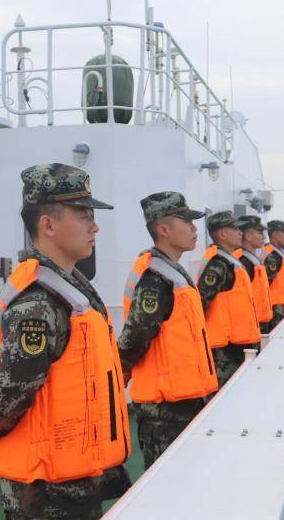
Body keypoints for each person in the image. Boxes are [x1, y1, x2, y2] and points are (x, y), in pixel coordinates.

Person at [0, 163, 131, 520]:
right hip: (45, 490)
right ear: (48, 225)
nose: (95, 227)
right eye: (84, 216)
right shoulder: (37, 302)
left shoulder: (70, 288)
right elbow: (12, 390)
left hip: (73, 477)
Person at [118, 192, 218, 469]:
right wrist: (119, 376)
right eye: (186, 221)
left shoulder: (172, 272)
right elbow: (134, 338)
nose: (194, 229)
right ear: (164, 230)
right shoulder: (155, 279)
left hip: (185, 401)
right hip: (164, 411)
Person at [197, 211, 262, 386]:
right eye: (235, 229)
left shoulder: (230, 261)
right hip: (224, 352)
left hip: (237, 346)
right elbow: (201, 303)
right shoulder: (218, 264)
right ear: (222, 234)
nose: (240, 233)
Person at [233, 215, 273, 328]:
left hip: (258, 321)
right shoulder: (243, 261)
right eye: (260, 233)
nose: (264, 237)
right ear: (248, 236)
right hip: (248, 323)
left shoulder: (252, 259)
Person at [259, 220, 284, 330]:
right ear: (275, 234)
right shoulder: (271, 256)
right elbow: (264, 286)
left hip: (283, 306)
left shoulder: (278, 253)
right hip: (275, 310)